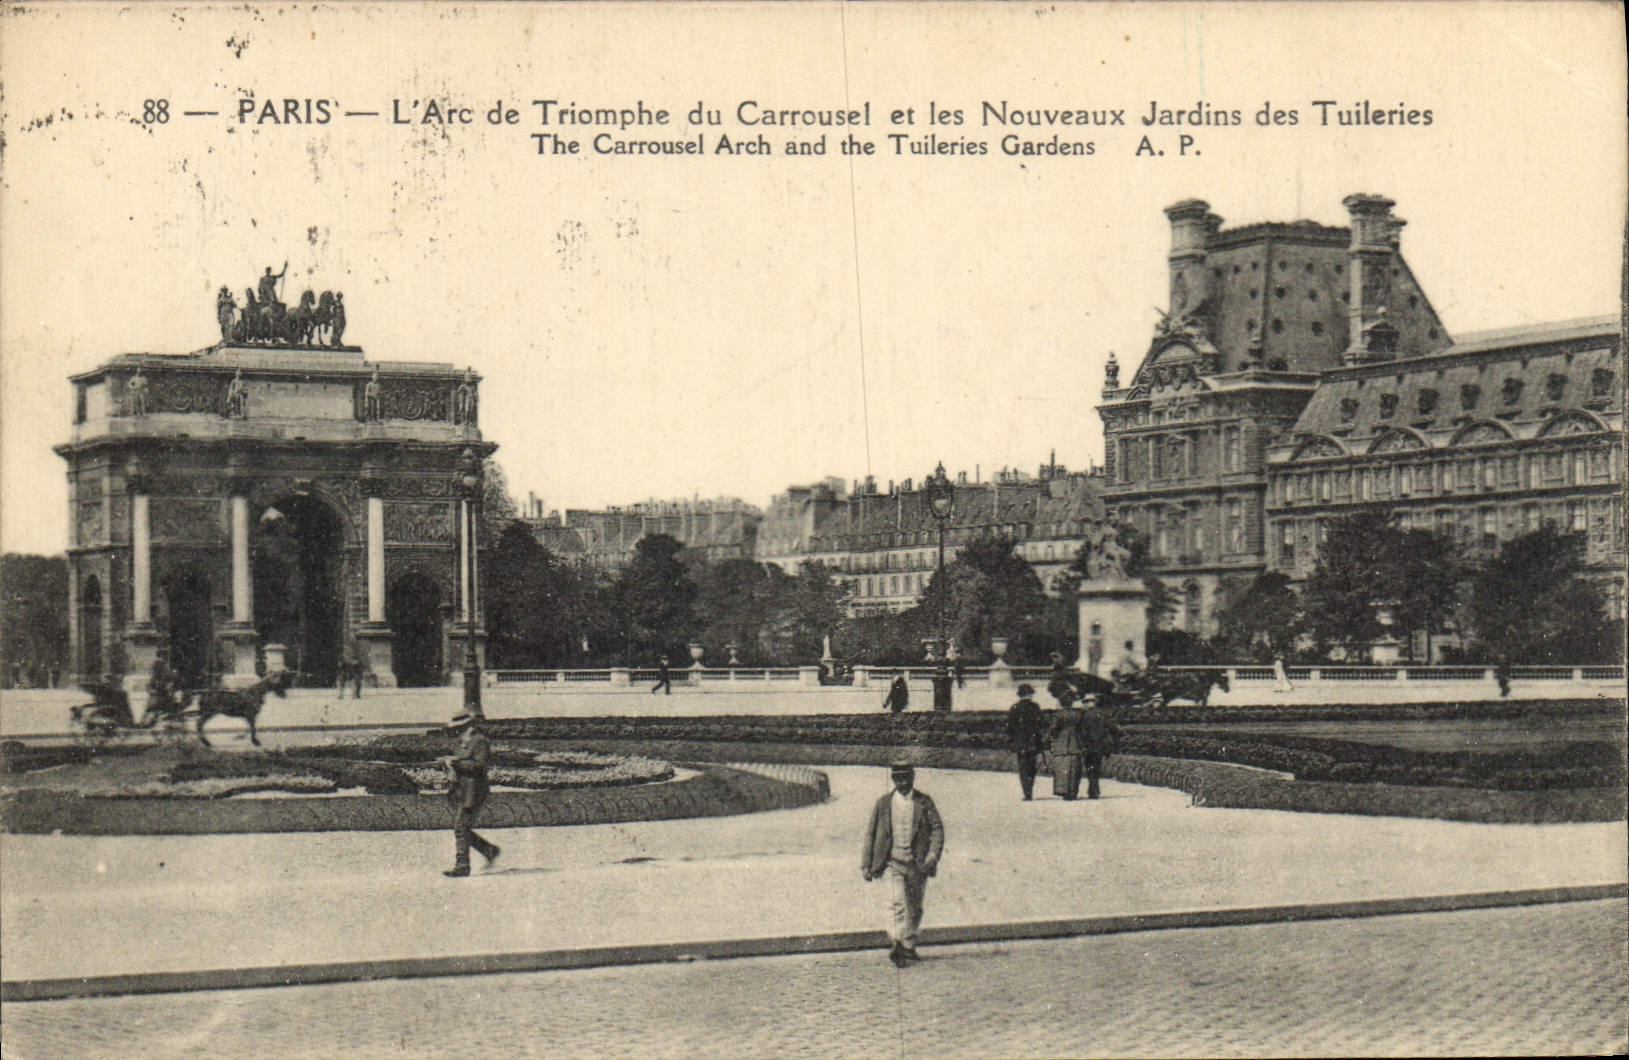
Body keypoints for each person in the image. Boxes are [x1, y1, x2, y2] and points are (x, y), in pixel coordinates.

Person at [861, 762, 944, 968]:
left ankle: (908, 944)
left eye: (906, 777)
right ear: (892, 779)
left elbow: (937, 829)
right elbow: (870, 834)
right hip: (892, 863)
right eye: (898, 778)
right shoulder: (883, 803)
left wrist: (933, 854)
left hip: (917, 864)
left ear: (913, 777)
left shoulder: (924, 802)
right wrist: (866, 864)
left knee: (915, 908)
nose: (902, 782)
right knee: (895, 902)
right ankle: (897, 940)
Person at [440, 712, 500, 877]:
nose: (456, 732)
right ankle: (489, 850)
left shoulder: (480, 742)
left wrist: (456, 763)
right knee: (462, 827)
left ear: (468, 727)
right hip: (460, 790)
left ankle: (462, 865)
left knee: (461, 826)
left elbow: (479, 766)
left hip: (475, 790)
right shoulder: (460, 743)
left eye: (459, 729)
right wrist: (448, 765)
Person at [1005, 683, 1045, 800]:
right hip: (1033, 741)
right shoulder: (1035, 707)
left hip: (1020, 742)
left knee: (1023, 767)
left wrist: (1012, 741)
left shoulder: (1015, 708)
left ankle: (1027, 792)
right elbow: (1041, 723)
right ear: (1030, 694)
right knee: (1032, 767)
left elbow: (1010, 727)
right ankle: (1030, 789)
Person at [1077, 693, 1121, 800]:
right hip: (1100, 745)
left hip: (1088, 745)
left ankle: (1093, 790)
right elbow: (1114, 728)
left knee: (1090, 768)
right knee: (1097, 767)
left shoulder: (1084, 715)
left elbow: (1081, 731)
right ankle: (1094, 790)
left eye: (1086, 702)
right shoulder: (1103, 714)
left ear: (1088, 703)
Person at [1048, 689, 1086, 799]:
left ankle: (1063, 790)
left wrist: (1051, 736)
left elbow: (1054, 728)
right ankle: (1073, 791)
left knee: (1062, 768)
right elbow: (1081, 729)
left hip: (1061, 743)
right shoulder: (1077, 714)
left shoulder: (1058, 715)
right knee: (1074, 768)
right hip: (1075, 742)